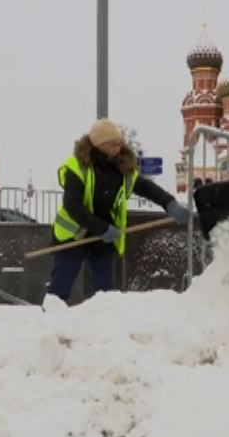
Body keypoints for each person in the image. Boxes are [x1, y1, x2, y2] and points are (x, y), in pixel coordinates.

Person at [48, 119, 190, 304]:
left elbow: (145, 187)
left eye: (119, 143)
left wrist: (169, 203)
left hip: (103, 238)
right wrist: (102, 228)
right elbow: (72, 206)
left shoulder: (123, 168)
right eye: (112, 144)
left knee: (106, 293)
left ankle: (104, 322)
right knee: (60, 288)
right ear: (98, 145)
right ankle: (48, 320)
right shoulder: (77, 167)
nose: (118, 148)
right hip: (72, 235)